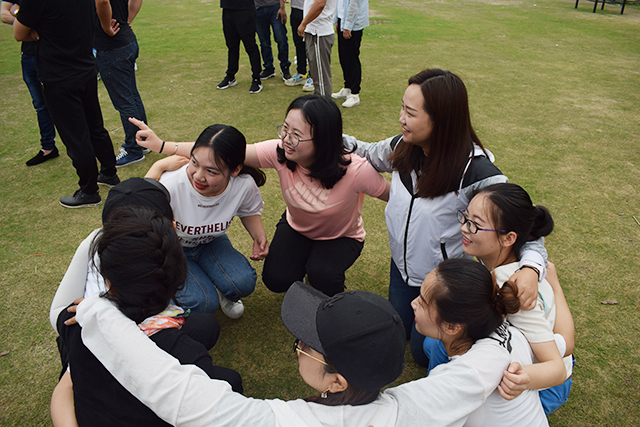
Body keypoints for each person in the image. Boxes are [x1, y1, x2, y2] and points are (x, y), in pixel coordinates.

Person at [75, 276, 530, 426]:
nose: (295, 349)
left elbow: (176, 394)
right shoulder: (422, 405)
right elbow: (484, 361)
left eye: (303, 345)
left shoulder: (294, 422)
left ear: (337, 380)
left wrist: (99, 311)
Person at [342, 68, 547, 365]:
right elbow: (367, 152)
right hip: (401, 270)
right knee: (397, 330)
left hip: (444, 283)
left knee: (422, 354)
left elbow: (526, 225)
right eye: (402, 107)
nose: (401, 118)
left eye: (410, 113)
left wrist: (530, 268)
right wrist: (324, 133)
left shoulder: (476, 173)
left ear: (441, 120)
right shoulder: (403, 146)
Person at [134, 95, 390, 297]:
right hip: (298, 228)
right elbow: (222, 151)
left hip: (341, 236)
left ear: (323, 139)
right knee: (276, 280)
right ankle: (305, 266)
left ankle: (328, 290)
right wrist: (163, 146)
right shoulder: (280, 153)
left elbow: (393, 195)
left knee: (323, 275)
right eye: (285, 129)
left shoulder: (355, 171)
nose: (287, 139)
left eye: (296, 135)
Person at [51, 205, 243, 427]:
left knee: (206, 327)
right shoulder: (188, 355)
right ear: (179, 280)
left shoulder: (78, 320)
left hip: (96, 410)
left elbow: (68, 383)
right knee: (231, 381)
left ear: (108, 280)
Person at [457, 183, 574, 414]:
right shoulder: (494, 256)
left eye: (475, 224)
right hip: (540, 346)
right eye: (465, 217)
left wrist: (523, 378)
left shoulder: (513, 288)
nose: (464, 228)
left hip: (546, 386)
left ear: (509, 238)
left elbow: (556, 368)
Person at [139, 122, 268, 317]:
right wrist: (158, 166)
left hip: (210, 243)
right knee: (203, 304)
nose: (198, 176)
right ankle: (173, 294)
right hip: (173, 250)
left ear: (235, 170)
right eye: (194, 162)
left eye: (211, 171)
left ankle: (216, 286)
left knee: (243, 282)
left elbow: (248, 210)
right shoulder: (171, 184)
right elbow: (135, 209)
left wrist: (259, 236)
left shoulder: (243, 185)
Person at [411, 258, 550, 426]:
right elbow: (561, 343)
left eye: (423, 303)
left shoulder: (455, 384)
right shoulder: (514, 333)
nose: (413, 303)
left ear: (453, 327)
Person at [13, 0, 120, 208]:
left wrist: (34, 30)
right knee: (95, 127)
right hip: (85, 67)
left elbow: (19, 33)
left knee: (76, 136)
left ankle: (89, 191)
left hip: (59, 76)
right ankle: (109, 172)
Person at [1, 0, 58, 167]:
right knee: (40, 104)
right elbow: (4, 14)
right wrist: (24, 22)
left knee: (66, 101)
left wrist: (19, 14)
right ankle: (48, 147)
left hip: (53, 53)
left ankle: (83, 145)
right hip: (29, 55)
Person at [94, 0, 148, 167]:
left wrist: (106, 27)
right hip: (124, 41)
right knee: (131, 94)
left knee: (125, 100)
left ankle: (134, 149)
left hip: (112, 46)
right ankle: (143, 140)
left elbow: (102, 1)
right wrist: (127, 20)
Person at [217, 0, 263, 94]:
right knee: (232, 46)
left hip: (245, 10)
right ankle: (231, 76)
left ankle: (256, 78)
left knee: (250, 46)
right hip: (228, 9)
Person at [331, 0, 368, 108]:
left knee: (352, 58)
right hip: (343, 20)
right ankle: (347, 88)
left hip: (353, 24)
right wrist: (338, 20)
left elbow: (355, 4)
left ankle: (354, 93)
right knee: (343, 56)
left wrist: (348, 25)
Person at [298, 0, 337, 97]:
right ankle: (319, 100)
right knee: (316, 73)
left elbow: (320, 4)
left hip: (319, 32)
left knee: (321, 76)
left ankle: (323, 106)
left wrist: (304, 23)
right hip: (315, 32)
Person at [255, 0, 291, 81]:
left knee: (281, 38)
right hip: (258, 8)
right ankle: (268, 68)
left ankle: (284, 66)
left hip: (275, 7)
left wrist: (282, 7)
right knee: (264, 42)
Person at [283, 0, 308, 86]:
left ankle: (313, 76)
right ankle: (301, 73)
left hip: (309, 9)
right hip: (296, 8)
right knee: (298, 43)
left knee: (311, 44)